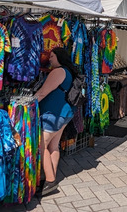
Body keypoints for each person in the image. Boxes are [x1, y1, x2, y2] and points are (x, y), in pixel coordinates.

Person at [35, 47, 80, 196]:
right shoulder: (68, 72)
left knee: (41, 146)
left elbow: (43, 92)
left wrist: (27, 104)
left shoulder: (58, 72)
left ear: (59, 57)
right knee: (54, 146)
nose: (50, 59)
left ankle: (49, 180)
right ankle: (50, 177)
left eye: (52, 56)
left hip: (53, 114)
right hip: (64, 114)